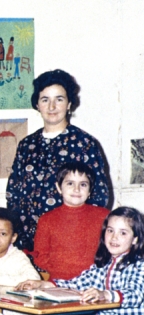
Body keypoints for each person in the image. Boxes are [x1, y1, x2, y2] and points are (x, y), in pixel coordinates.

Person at [7, 69, 110, 250]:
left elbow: (99, 197)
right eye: (45, 99)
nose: (52, 106)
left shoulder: (85, 144)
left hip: (72, 242)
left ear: (69, 103)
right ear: (37, 105)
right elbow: (13, 193)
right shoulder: (26, 145)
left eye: (59, 99)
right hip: (30, 244)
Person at [32, 162, 109, 280]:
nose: (76, 189)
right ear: (59, 187)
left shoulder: (104, 216)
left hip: (96, 281)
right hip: (59, 282)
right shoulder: (46, 220)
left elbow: (115, 248)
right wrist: (60, 271)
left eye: (83, 184)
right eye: (70, 183)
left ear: (90, 190)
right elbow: (39, 255)